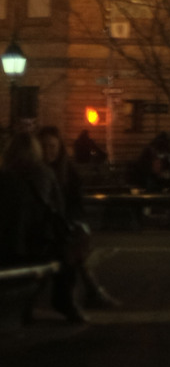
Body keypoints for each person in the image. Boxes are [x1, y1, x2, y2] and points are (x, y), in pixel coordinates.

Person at [4, 133, 83, 323]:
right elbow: (58, 208)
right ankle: (64, 301)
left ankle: (29, 307)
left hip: (7, 245)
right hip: (35, 245)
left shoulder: (3, 175)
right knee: (68, 255)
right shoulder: (44, 173)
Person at [39, 126, 119, 310]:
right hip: (46, 227)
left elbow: (75, 203)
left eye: (52, 146)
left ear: (59, 147)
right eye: (44, 146)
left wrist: (73, 221)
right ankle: (90, 292)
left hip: (61, 225)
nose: (48, 151)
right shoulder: (39, 172)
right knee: (72, 248)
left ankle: (81, 295)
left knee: (73, 244)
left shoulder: (67, 172)